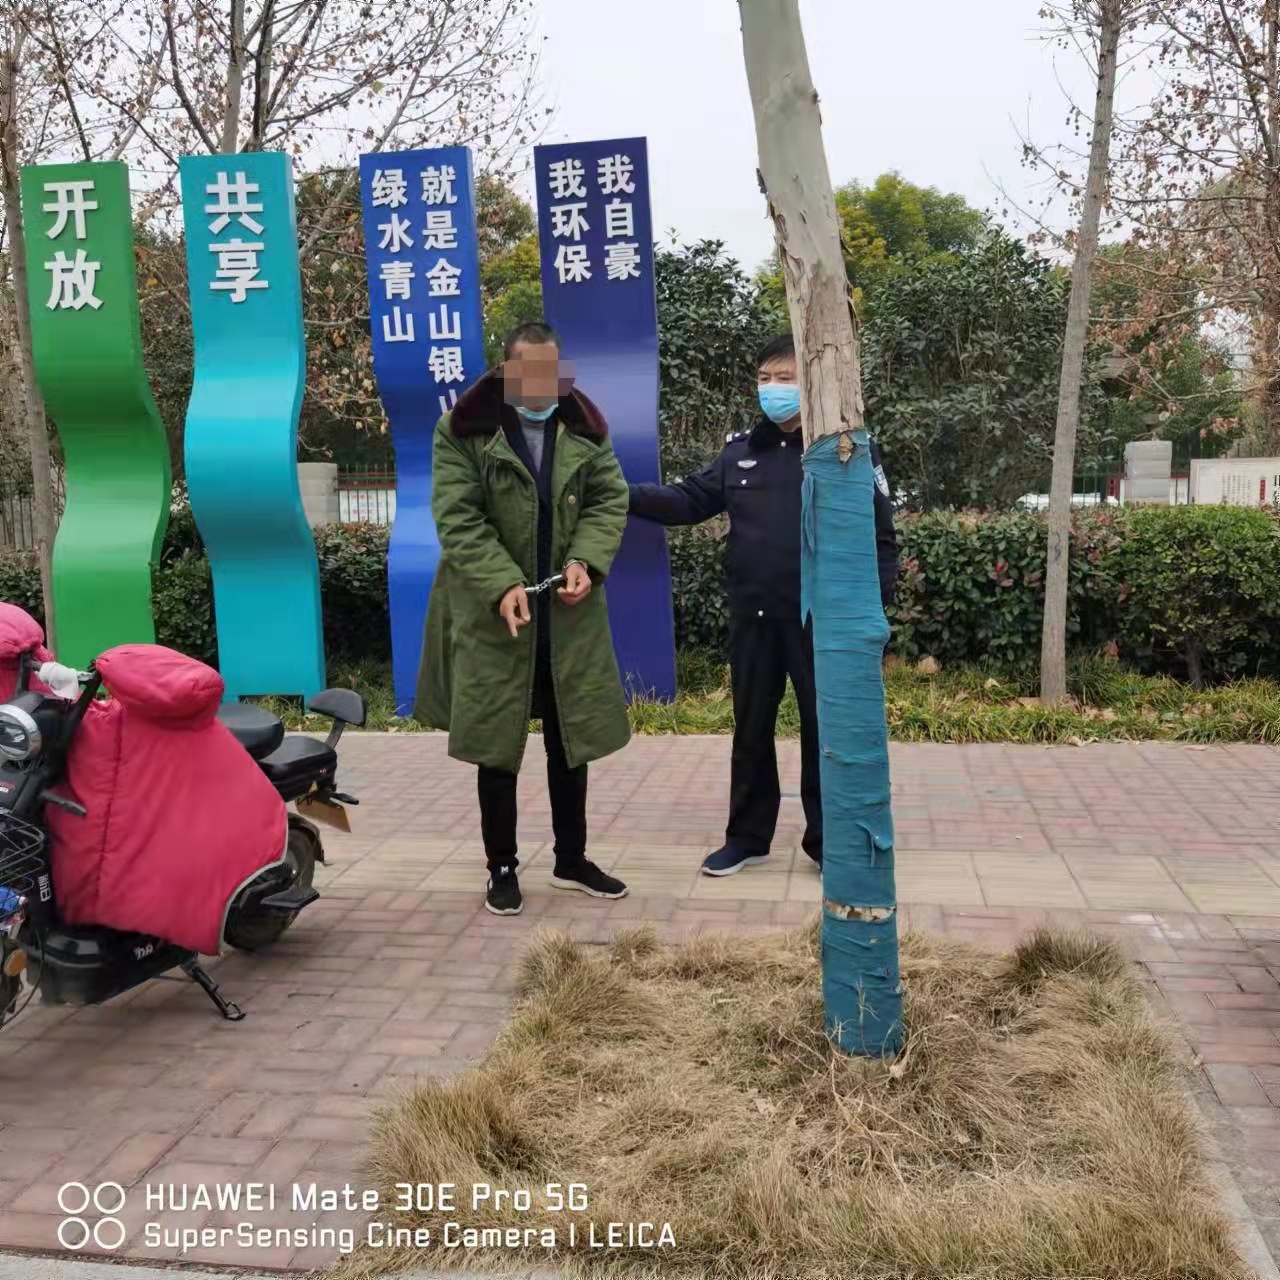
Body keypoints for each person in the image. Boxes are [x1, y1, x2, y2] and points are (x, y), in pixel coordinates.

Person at [628, 333, 899, 877]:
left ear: (812, 383)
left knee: (825, 733)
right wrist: (619, 492)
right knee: (751, 729)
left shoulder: (844, 450)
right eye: (765, 379)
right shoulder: (740, 452)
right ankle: (748, 837)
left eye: (786, 378)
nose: (773, 389)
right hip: (753, 619)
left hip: (820, 623)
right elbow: (687, 500)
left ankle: (830, 843)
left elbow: (881, 535)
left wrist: (875, 612)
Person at [415, 322, 631, 916]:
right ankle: (502, 866)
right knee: (496, 742)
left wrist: (586, 560)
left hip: (567, 612)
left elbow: (610, 500)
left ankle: (572, 858)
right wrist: (501, 581)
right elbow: (458, 518)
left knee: (571, 738)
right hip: (494, 614)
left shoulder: (585, 426)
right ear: (507, 371)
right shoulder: (463, 429)